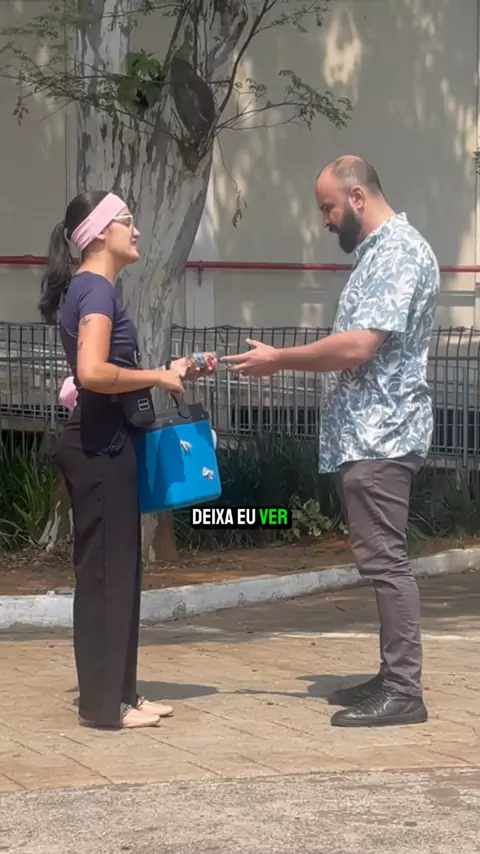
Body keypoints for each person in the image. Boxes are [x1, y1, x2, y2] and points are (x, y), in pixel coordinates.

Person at [222, 156, 439, 729]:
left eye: (329, 207)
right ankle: (392, 677)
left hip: (381, 435)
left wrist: (279, 359)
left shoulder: (398, 252)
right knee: (380, 560)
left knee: (386, 562)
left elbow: (359, 346)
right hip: (369, 434)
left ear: (358, 197)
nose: (324, 220)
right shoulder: (380, 253)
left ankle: (404, 689)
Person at [39, 189, 215, 730]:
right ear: (98, 234)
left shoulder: (94, 289)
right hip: (99, 447)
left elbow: (104, 370)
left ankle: (123, 694)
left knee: (121, 572)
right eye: (126, 221)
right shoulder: (95, 290)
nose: (136, 231)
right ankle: (102, 706)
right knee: (104, 577)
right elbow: (93, 373)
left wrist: (170, 369)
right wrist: (158, 376)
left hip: (109, 443)